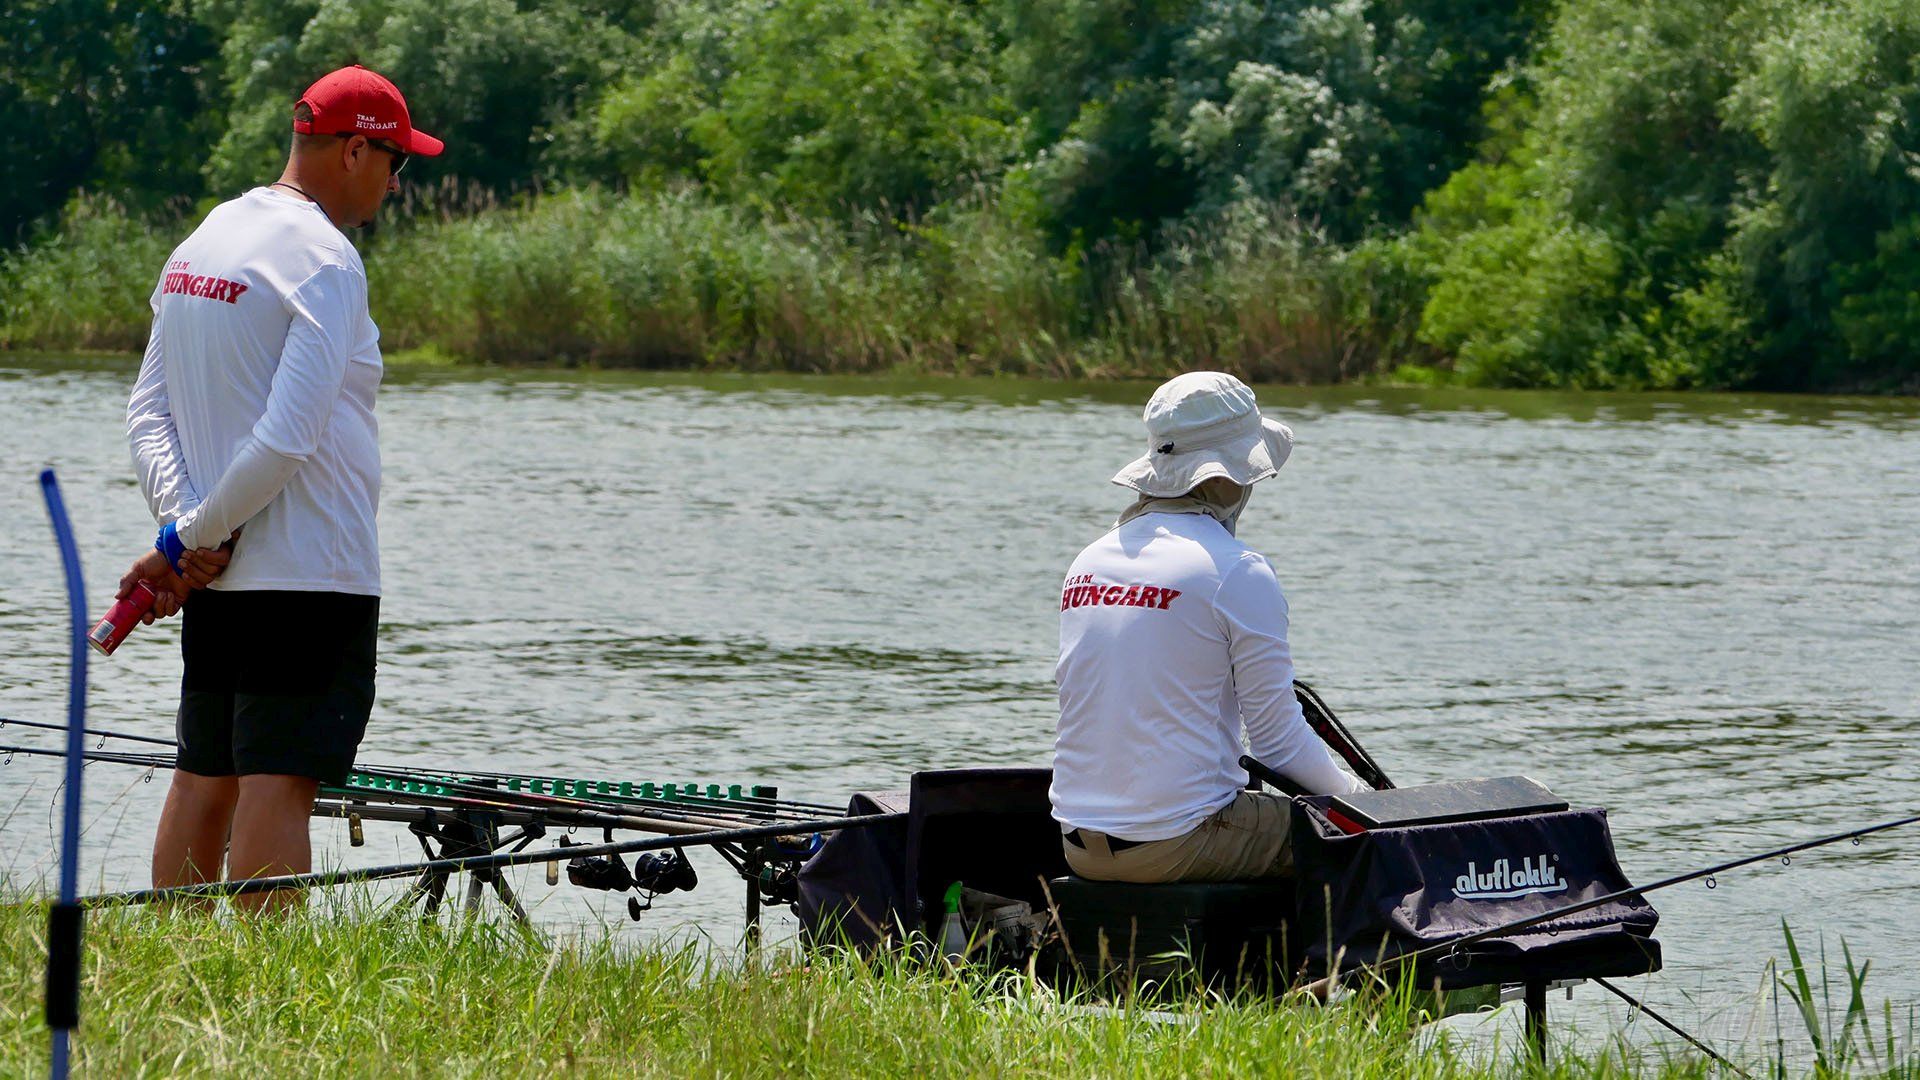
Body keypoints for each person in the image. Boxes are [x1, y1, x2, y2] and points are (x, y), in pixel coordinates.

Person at [116, 65, 442, 911]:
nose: (397, 180)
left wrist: (184, 535)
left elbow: (147, 413)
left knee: (204, 775)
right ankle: (263, 979)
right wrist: (191, 539)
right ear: (355, 150)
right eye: (395, 159)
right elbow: (288, 439)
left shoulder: (209, 237)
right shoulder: (327, 260)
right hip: (312, 574)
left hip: (220, 577)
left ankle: (175, 955)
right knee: (278, 782)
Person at [1049, 371, 1365, 884]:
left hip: (1075, 840)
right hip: (1179, 839)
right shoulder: (1237, 568)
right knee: (1347, 838)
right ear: (1223, 476)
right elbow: (1277, 744)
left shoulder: (1089, 559)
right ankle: (1326, 967)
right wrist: (1372, 808)